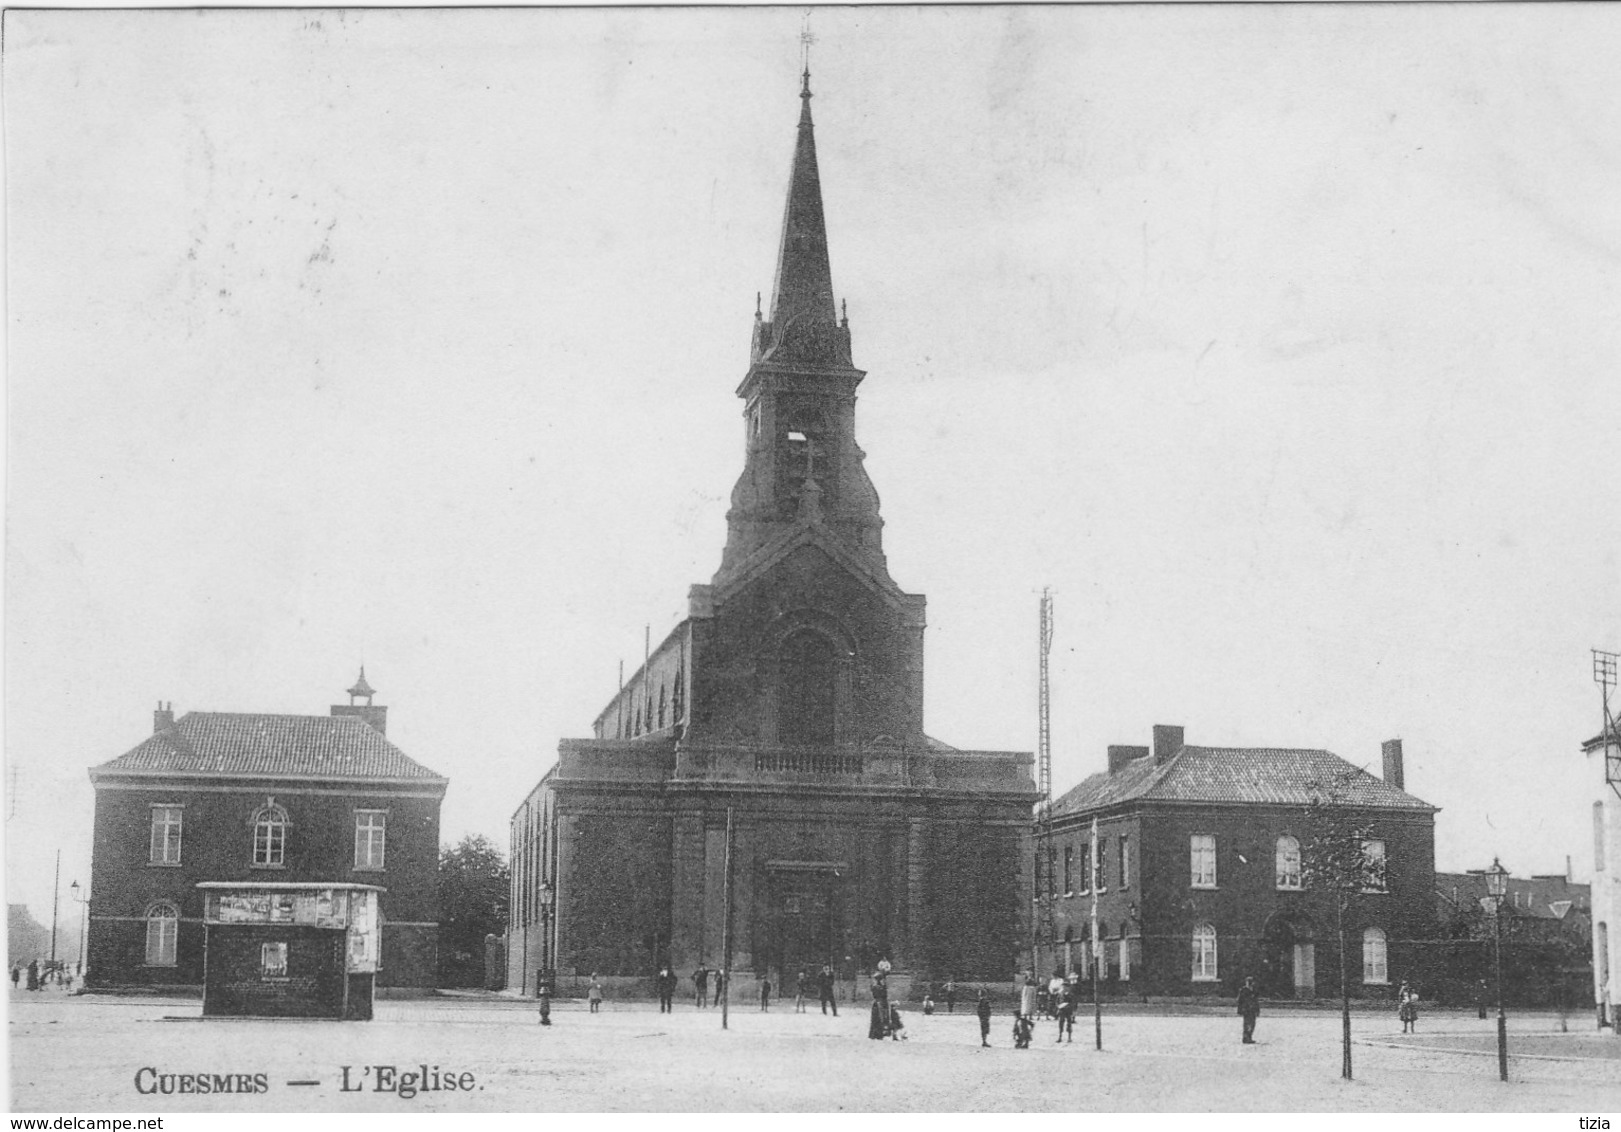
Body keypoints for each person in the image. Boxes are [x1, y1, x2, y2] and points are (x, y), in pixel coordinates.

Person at [1237, 976, 1261, 1043]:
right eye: (1248, 982)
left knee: (1252, 1024)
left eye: (1251, 982)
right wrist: (1240, 1010)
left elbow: (1256, 1001)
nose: (1250, 983)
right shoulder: (1243, 990)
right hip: (1246, 1010)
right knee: (1247, 1024)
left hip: (1253, 1010)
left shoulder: (1254, 990)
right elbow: (1240, 1001)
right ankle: (1245, 1038)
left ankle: (1249, 1037)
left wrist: (1257, 1010)